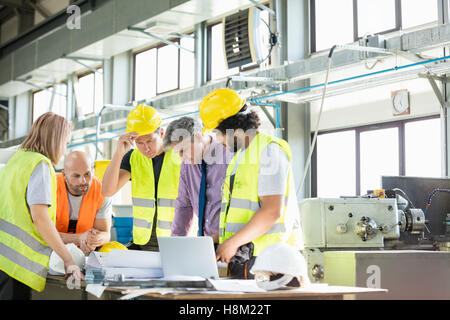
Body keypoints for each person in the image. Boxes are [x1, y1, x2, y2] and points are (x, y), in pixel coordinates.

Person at [198, 88, 303, 279]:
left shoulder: (269, 151)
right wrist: (214, 242)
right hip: (246, 258)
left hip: (271, 262)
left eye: (217, 133)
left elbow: (272, 211)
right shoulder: (239, 157)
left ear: (231, 128)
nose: (218, 140)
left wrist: (231, 243)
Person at [0, 112, 84, 300]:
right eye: (66, 143)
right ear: (56, 140)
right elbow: (40, 218)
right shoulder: (40, 165)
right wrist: (68, 259)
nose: (64, 150)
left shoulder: (16, 161)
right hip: (15, 264)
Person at [102, 104, 181, 251]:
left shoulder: (180, 155)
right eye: (139, 143)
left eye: (150, 141)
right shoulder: (133, 158)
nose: (146, 148)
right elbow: (107, 190)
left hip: (175, 242)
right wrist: (119, 153)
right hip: (143, 243)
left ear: (162, 133)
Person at [163, 117, 233, 241]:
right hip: (206, 243)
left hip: (232, 241)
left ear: (198, 137)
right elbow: (184, 206)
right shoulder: (187, 166)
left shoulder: (229, 155)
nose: (181, 158)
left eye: (183, 150)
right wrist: (175, 243)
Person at [56, 151, 112, 254]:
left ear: (92, 170)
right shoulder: (51, 188)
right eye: (76, 176)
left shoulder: (101, 191)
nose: (83, 181)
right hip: (52, 252)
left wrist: (94, 240)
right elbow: (43, 233)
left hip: (84, 255)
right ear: (64, 175)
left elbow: (106, 234)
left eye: (87, 174)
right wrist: (79, 238)